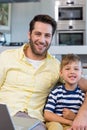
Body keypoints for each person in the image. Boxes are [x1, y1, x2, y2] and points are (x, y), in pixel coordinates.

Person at [0, 14, 87, 130]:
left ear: (51, 38)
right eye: (38, 34)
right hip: (5, 117)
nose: (42, 40)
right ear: (29, 34)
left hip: (34, 122)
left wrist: (82, 115)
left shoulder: (57, 66)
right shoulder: (7, 57)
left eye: (47, 36)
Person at [44, 54, 85, 130]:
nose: (72, 71)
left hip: (74, 123)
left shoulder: (82, 95)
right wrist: (68, 122)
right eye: (67, 69)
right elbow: (47, 114)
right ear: (61, 73)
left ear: (81, 73)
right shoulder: (56, 92)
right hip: (56, 122)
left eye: (76, 69)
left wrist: (74, 118)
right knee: (56, 127)